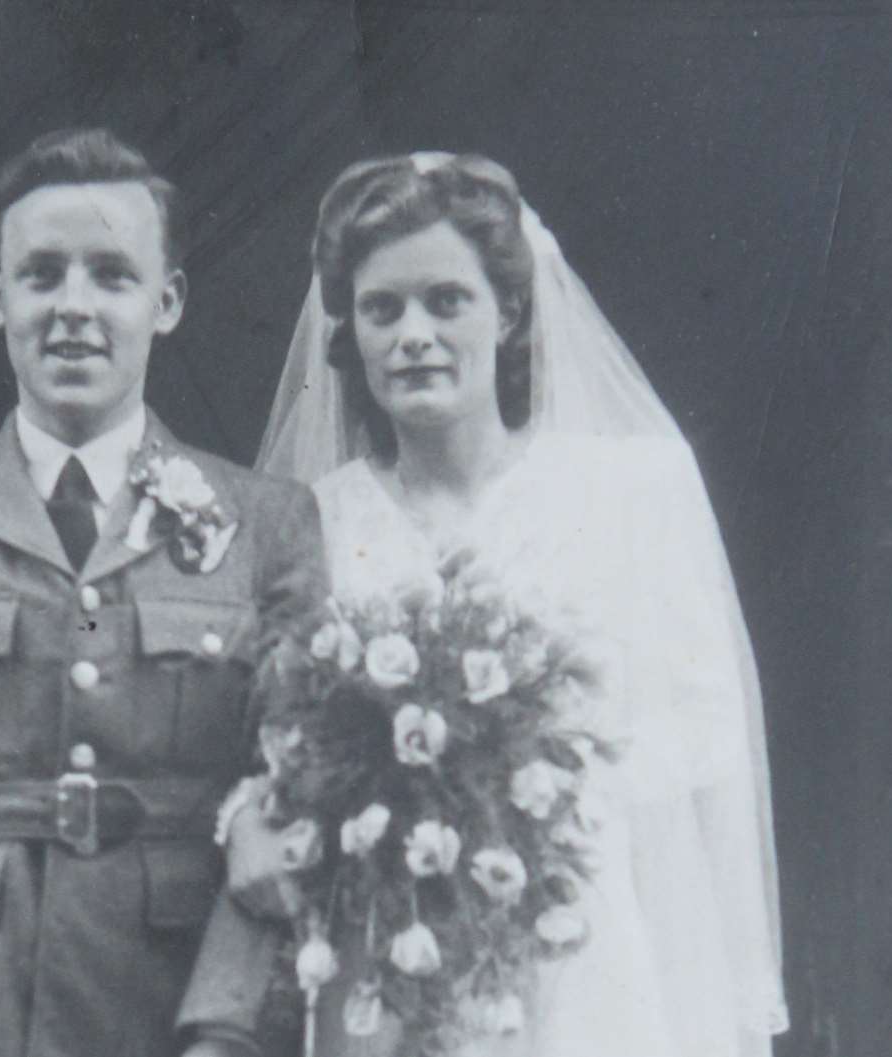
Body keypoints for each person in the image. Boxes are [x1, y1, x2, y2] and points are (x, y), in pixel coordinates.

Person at [183, 152, 787, 1056]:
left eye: (445, 300)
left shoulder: (635, 491)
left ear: (506, 312)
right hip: (393, 948)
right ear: (350, 332)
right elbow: (274, 750)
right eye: (382, 309)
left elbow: (707, 756)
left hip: (594, 942)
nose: (413, 334)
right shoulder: (316, 516)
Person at [0, 127, 326, 1057]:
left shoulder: (271, 523)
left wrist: (232, 1028)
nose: (73, 307)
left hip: (172, 1009)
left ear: (168, 302)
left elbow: (292, 800)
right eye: (41, 275)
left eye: (112, 276)